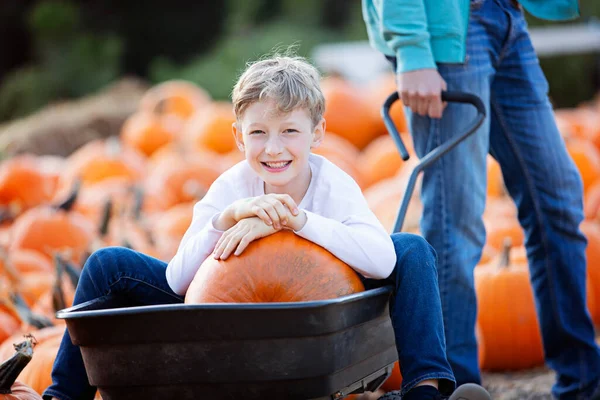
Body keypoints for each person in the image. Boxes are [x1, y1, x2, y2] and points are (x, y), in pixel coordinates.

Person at [42, 54, 490, 400]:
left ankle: (425, 387)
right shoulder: (230, 186)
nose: (273, 148)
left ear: (317, 134)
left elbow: (382, 259)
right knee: (105, 264)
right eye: (258, 133)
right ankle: (63, 394)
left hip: (323, 302)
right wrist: (228, 219)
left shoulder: (333, 185)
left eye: (289, 132)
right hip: (217, 309)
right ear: (238, 136)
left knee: (412, 248)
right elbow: (179, 282)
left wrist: (299, 223)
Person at [362, 0, 600, 398]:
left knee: (557, 197)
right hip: (449, 29)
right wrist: (412, 48)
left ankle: (583, 381)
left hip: (507, 20)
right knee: (456, 224)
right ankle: (457, 388)